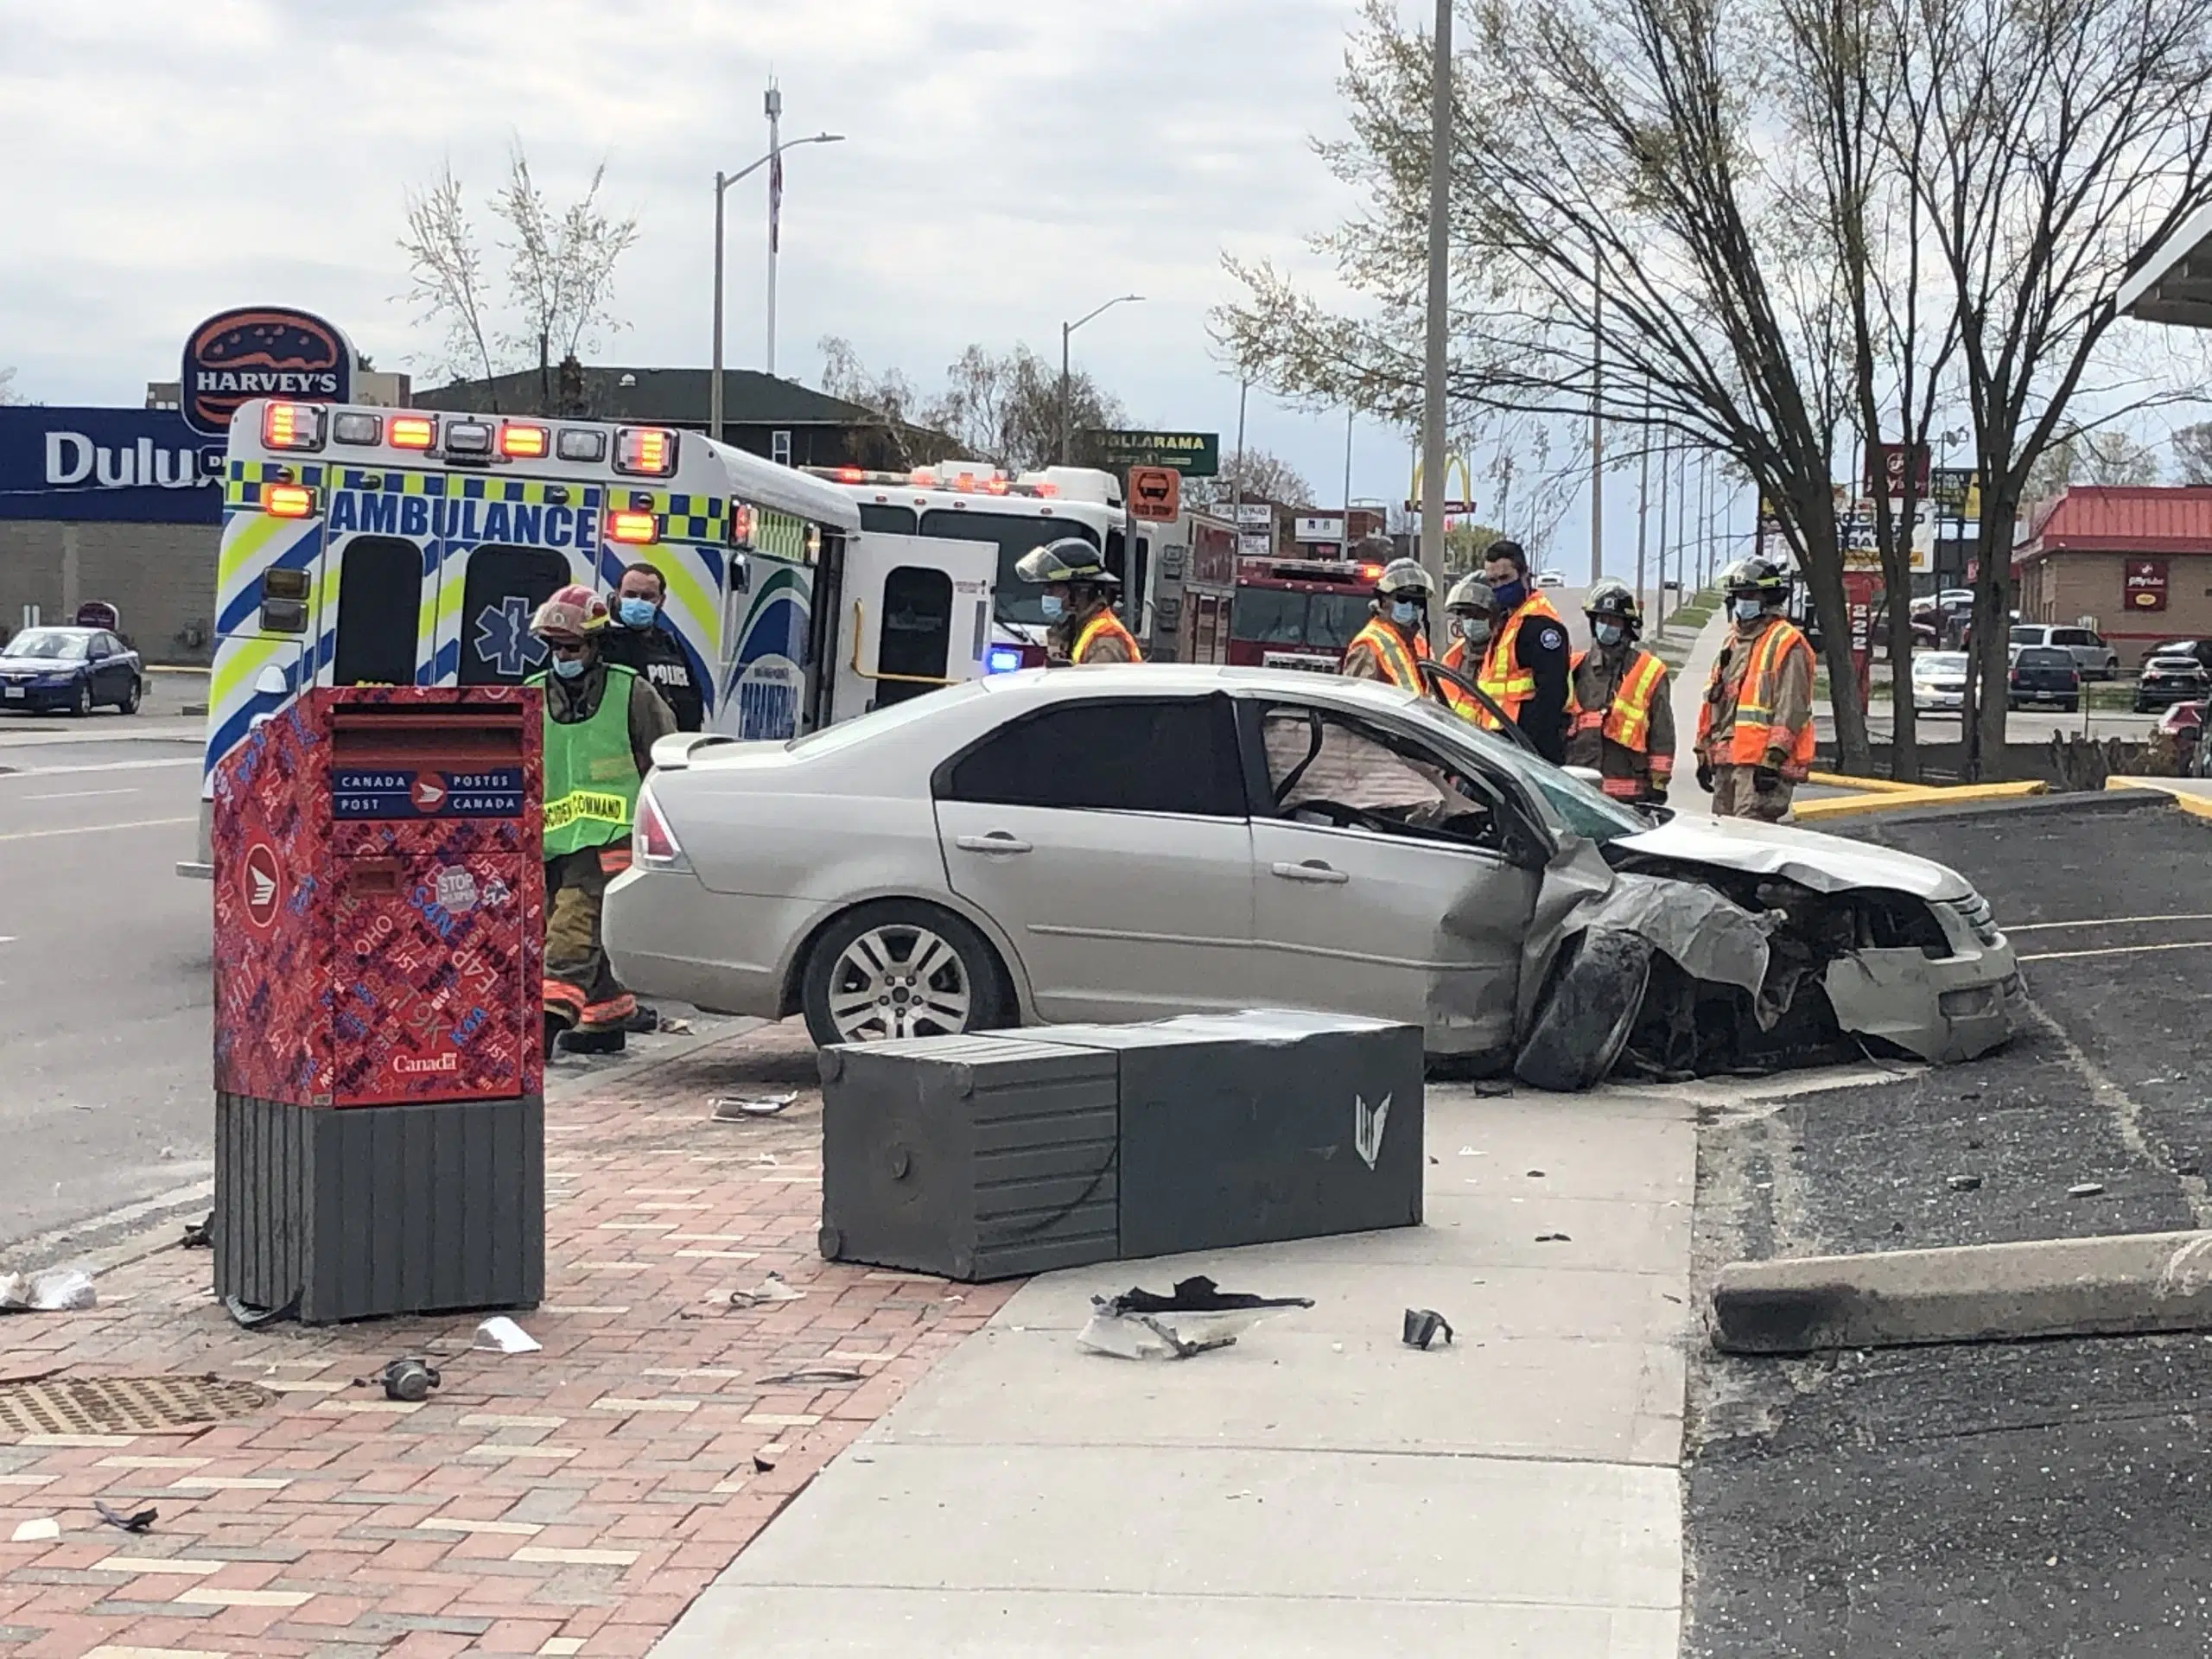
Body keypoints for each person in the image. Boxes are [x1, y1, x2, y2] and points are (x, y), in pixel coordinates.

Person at [527, 584, 678, 1057]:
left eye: (571, 647)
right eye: (555, 647)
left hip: (611, 838)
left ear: (594, 644)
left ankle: (544, 1029)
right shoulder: (531, 696)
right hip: (552, 839)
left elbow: (664, 756)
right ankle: (604, 1021)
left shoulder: (632, 691)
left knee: (571, 930)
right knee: (570, 924)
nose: (562, 655)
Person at [1698, 557, 1816, 822]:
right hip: (1727, 763)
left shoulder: (1787, 642)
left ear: (1769, 597)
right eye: (1739, 595)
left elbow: (1792, 707)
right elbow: (1714, 700)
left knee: (1748, 842)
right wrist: (1703, 751)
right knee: (1721, 840)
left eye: (1750, 594)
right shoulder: (1732, 642)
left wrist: (1773, 758)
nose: (1743, 601)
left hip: (1760, 768)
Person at [1567, 580, 1675, 804]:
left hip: (1629, 795)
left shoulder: (1649, 670)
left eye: (1614, 621)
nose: (1607, 626)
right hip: (1580, 789)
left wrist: (1658, 783)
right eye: (1602, 620)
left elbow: (1661, 732)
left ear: (1627, 626)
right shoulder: (1573, 667)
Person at [1472, 541, 1572, 763]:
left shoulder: (1541, 625)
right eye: (1493, 581)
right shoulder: (1509, 619)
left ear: (1525, 575)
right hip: (1502, 742)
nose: (1499, 586)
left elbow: (1552, 694)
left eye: (1505, 578)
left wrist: (1528, 749)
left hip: (1528, 748)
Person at [596, 562, 704, 732]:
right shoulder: (602, 643)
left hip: (670, 748)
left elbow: (693, 701)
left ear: (661, 600)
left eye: (647, 597)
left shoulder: (670, 644)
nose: (638, 602)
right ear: (617, 595)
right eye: (630, 595)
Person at [1014, 537, 1143, 664]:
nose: (1047, 593)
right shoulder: (1077, 629)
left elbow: (1092, 685)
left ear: (1080, 589)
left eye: (1053, 587)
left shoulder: (1105, 641)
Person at [1340, 558, 1438, 693]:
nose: (1412, 606)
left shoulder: (1417, 643)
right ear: (1384, 600)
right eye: (1403, 599)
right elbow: (1357, 704)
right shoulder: (1369, 646)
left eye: (1418, 601)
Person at [1434, 573, 1496, 721]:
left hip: (1494, 742)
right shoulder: (1454, 656)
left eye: (1477, 614)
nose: (1470, 621)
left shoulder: (1506, 654)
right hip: (1456, 739)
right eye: (1464, 614)